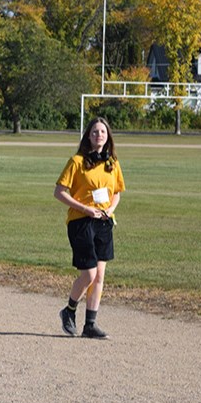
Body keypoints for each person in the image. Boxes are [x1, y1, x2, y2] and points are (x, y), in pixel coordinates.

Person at [53, 116, 125, 340]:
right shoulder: (77, 161)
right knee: (89, 274)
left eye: (103, 132)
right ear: (88, 136)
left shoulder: (112, 163)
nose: (99, 135)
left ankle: (90, 324)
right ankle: (70, 310)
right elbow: (59, 192)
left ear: (108, 136)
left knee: (100, 275)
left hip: (103, 222)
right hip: (80, 221)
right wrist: (84, 208)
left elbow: (117, 192)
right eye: (95, 132)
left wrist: (110, 209)